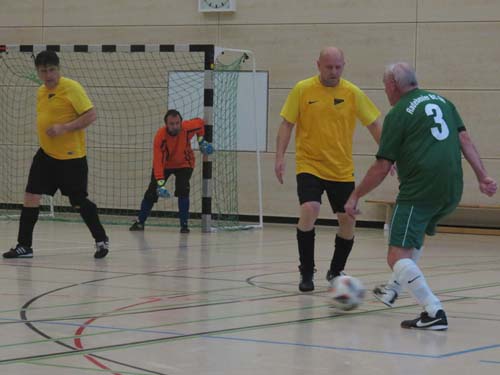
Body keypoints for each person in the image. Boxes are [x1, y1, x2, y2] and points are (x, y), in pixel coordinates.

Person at [345, 62, 497, 330]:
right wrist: (482, 176)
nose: (386, 92)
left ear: (393, 85)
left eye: (385, 87)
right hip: (451, 187)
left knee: (395, 255)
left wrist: (355, 195)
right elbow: (465, 141)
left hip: (420, 189)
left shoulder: (399, 113)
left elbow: (382, 166)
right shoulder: (443, 102)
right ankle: (393, 289)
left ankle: (433, 310)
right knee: (410, 241)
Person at [274, 47, 382, 292]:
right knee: (310, 209)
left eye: (338, 67)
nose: (333, 71)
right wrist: (279, 156)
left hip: (341, 168)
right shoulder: (302, 89)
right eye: (328, 67)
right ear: (318, 65)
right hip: (309, 163)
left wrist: (388, 156)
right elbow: (286, 124)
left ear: (344, 65)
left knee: (347, 221)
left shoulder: (352, 92)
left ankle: (335, 269)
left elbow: (374, 124)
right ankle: (306, 271)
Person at [3, 50, 110, 259]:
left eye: (52, 70)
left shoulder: (71, 88)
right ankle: (24, 246)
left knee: (78, 202)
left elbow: (91, 115)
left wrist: (65, 128)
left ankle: (101, 239)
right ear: (38, 72)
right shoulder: (41, 91)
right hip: (46, 155)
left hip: (71, 159)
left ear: (58, 69)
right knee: (31, 195)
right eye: (44, 71)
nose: (48, 75)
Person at [129, 109, 213, 233]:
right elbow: (157, 162)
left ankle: (184, 225)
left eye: (177, 123)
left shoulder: (187, 127)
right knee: (152, 191)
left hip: (185, 163)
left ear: (181, 122)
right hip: (165, 165)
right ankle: (140, 222)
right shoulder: (160, 137)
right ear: (166, 124)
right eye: (172, 124)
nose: (175, 126)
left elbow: (200, 123)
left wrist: (201, 142)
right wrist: (160, 184)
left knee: (183, 189)